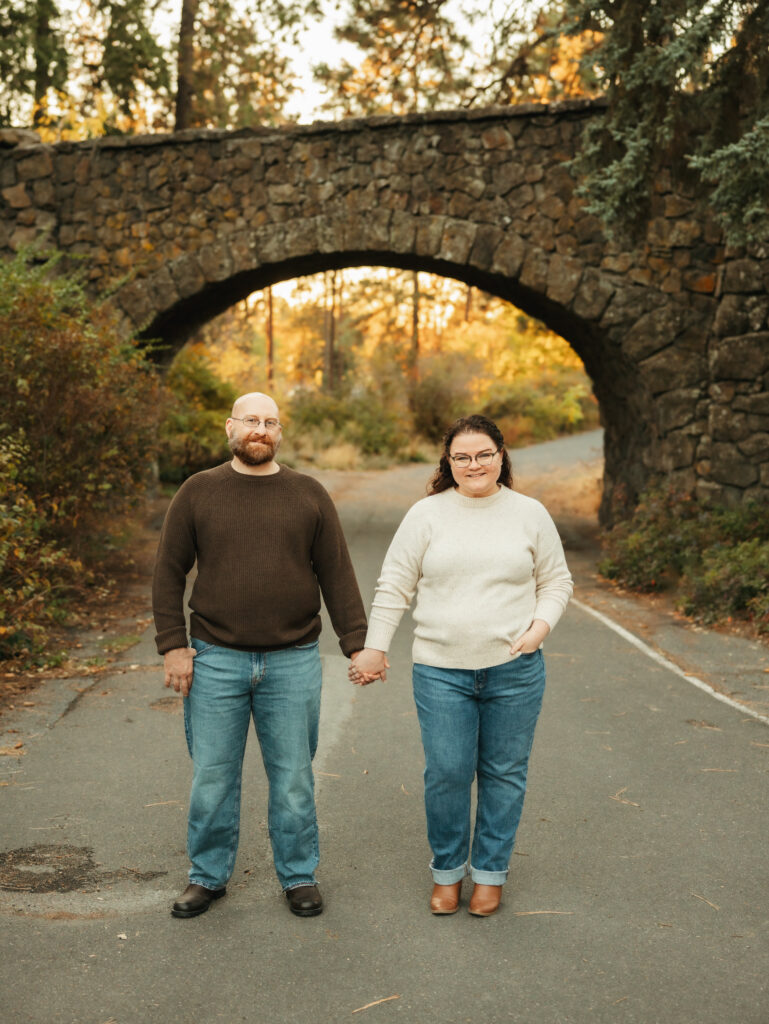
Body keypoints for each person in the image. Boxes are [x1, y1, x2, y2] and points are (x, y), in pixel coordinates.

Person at [153, 391, 369, 919]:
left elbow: (337, 573)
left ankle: (298, 876)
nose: (260, 430)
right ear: (230, 427)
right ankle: (207, 877)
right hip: (214, 658)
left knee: (293, 776)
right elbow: (168, 572)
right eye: (251, 420)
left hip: (292, 660)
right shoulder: (198, 492)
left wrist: (358, 645)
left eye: (270, 422)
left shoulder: (308, 494)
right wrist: (174, 646)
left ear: (280, 432)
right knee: (213, 777)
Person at [349, 414, 572, 917]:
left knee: (504, 773)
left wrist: (539, 628)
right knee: (448, 773)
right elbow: (395, 586)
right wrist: (375, 647)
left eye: (484, 454)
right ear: (449, 464)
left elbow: (557, 581)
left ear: (501, 456)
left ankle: (490, 874)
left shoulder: (529, 513)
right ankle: (448, 873)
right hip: (440, 670)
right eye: (462, 457)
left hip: (514, 670)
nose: (474, 464)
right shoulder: (426, 515)